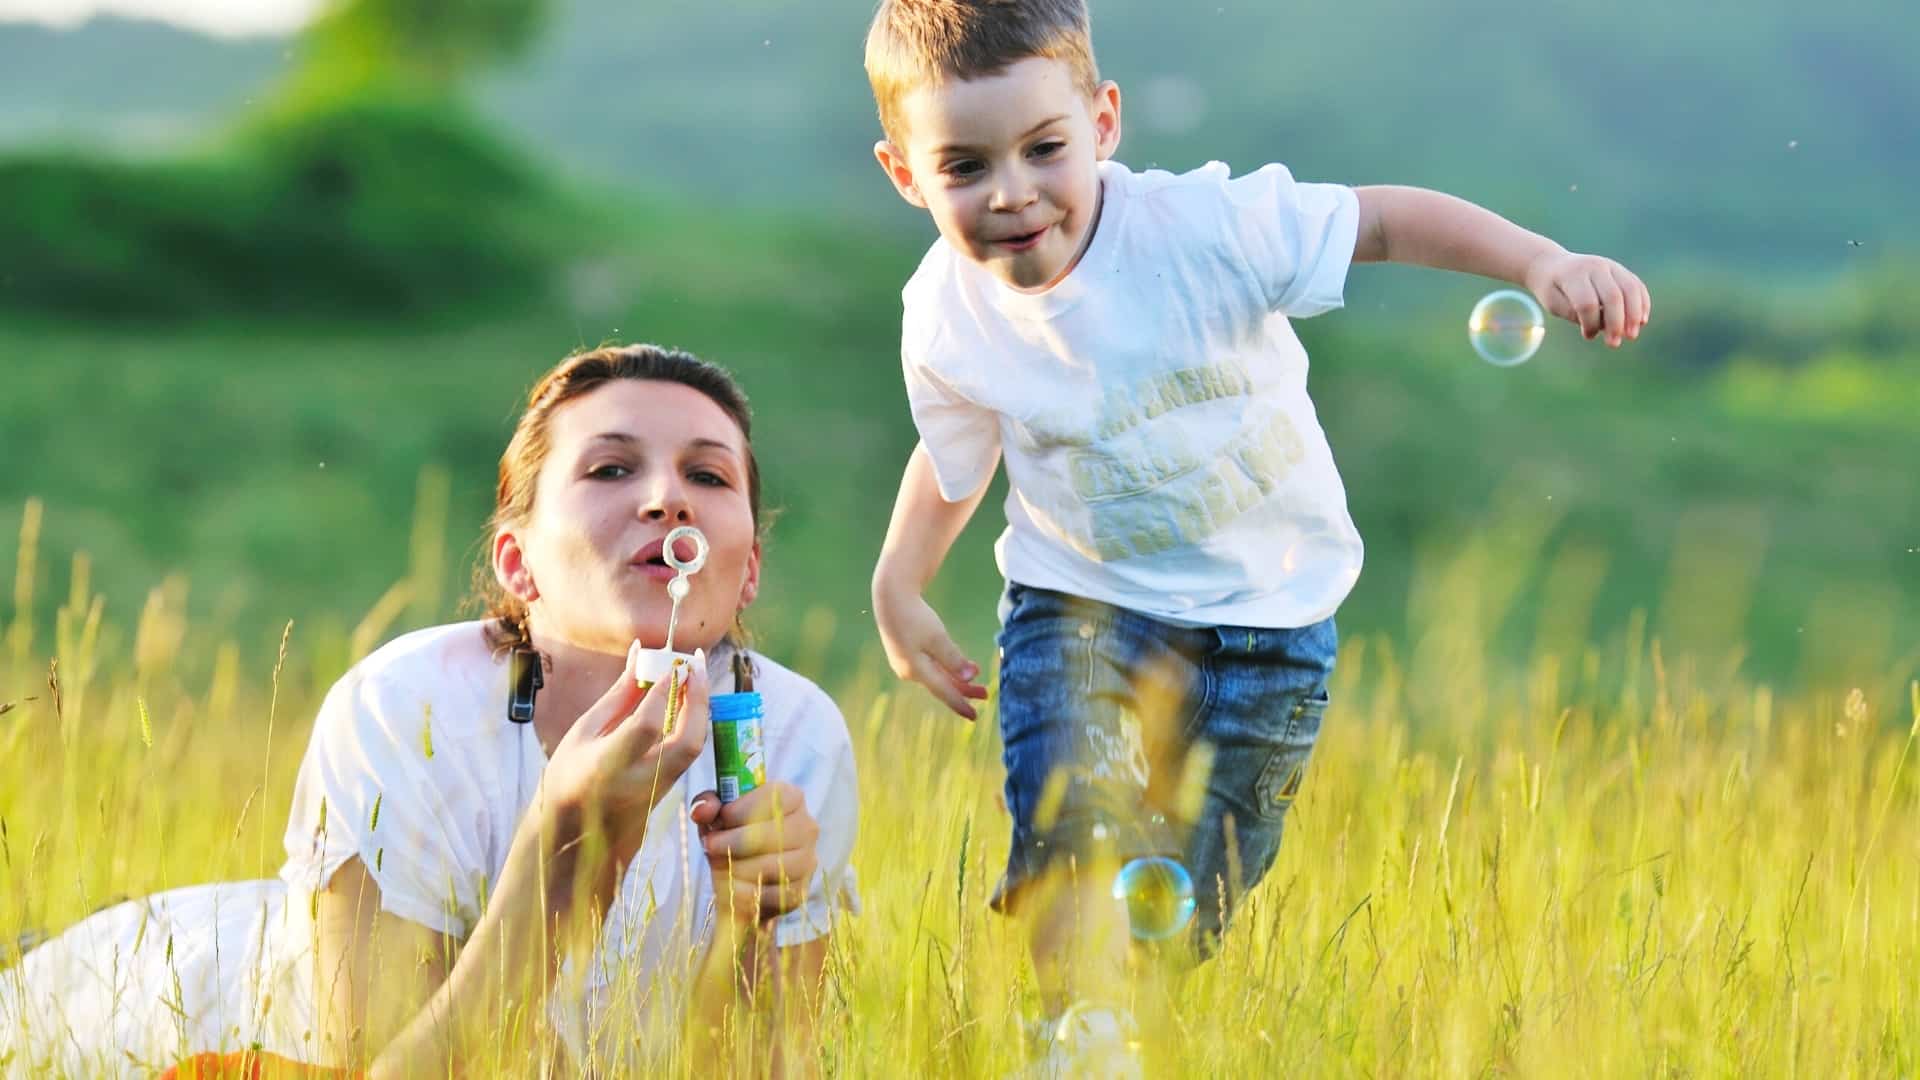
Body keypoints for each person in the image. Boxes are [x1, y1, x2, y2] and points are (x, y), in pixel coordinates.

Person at [860, 0, 1650, 1066]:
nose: (1011, 193)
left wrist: (1537, 262)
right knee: (1070, 813)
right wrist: (899, 582)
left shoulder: (1202, 229)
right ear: (906, 174)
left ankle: (1134, 1008)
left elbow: (1377, 221)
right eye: (963, 167)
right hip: (1078, 602)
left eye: (1043, 148)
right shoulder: (945, 315)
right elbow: (957, 448)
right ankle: (1074, 1033)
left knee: (1206, 870)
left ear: (1103, 123)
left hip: (1272, 619)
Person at [0, 345, 859, 1077]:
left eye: (707, 475)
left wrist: (748, 927)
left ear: (746, 570)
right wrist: (558, 865)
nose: (669, 499)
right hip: (167, 1037)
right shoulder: (405, 708)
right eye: (610, 468)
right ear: (518, 565)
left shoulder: (790, 737)